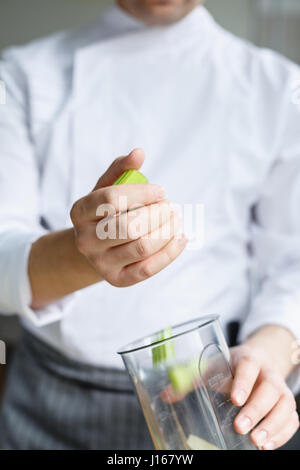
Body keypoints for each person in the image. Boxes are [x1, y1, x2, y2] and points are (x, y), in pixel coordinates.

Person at [0, 0, 300, 450]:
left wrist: (270, 353)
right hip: (52, 406)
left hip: (214, 396)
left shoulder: (278, 87)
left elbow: (293, 261)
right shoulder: (21, 77)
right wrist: (86, 253)